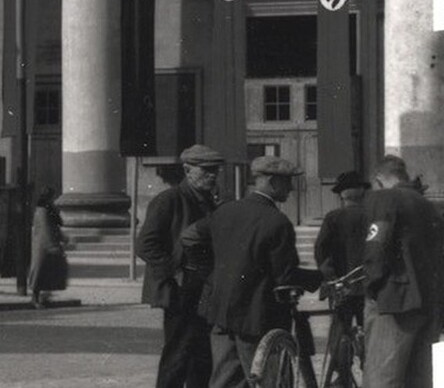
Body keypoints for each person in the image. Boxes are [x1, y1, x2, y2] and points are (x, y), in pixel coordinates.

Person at [180, 155, 320, 388]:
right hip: (257, 318)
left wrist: (210, 270)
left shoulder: (225, 211)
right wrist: (318, 277)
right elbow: (285, 277)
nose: (291, 188)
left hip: (221, 312)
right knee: (269, 381)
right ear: (273, 182)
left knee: (225, 381)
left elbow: (189, 237)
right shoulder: (277, 222)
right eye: (287, 182)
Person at [135, 143, 225, 388]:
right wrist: (175, 273)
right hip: (180, 291)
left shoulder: (209, 202)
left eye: (215, 170)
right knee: (178, 355)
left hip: (203, 289)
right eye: (206, 170)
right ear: (187, 170)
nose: (213, 175)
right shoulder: (169, 200)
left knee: (202, 358)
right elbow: (145, 245)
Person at [359, 155, 444, 388]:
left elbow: (377, 246)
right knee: (418, 379)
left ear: (378, 179)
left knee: (382, 377)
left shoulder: (385, 198)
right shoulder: (427, 205)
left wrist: (370, 286)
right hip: (427, 301)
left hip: (394, 301)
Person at [314, 169, 370, 333]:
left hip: (341, 283)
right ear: (363, 193)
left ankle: (339, 350)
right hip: (368, 282)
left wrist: (329, 276)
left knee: (339, 329)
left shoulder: (333, 217)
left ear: (341, 195)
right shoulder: (373, 215)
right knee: (369, 329)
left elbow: (321, 249)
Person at [27, 187, 68, 308]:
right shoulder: (43, 211)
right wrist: (53, 245)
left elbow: (54, 226)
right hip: (44, 246)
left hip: (45, 246)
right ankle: (36, 299)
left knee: (47, 273)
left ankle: (43, 297)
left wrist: (61, 238)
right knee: (40, 273)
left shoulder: (47, 209)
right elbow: (46, 229)